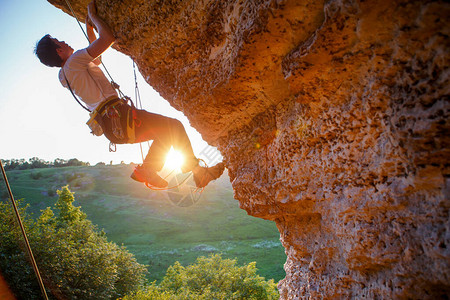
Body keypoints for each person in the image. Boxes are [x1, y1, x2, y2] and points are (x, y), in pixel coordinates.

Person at [34, 0, 224, 189]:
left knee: (165, 133)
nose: (65, 42)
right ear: (59, 50)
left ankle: (156, 171)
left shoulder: (63, 76)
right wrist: (94, 17)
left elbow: (96, 59)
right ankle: (190, 171)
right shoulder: (74, 61)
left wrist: (89, 27)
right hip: (121, 117)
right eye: (60, 42)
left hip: (113, 128)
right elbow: (107, 39)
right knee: (174, 127)